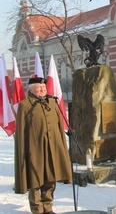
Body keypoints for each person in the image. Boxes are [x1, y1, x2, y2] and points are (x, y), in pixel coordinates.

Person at [14, 77, 72, 214]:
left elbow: (59, 125)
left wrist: (61, 147)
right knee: (35, 180)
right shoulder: (25, 105)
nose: (42, 90)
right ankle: (37, 209)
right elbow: (21, 131)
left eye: (44, 88)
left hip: (53, 147)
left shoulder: (52, 103)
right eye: (39, 88)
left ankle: (48, 207)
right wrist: (23, 151)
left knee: (51, 178)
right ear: (31, 90)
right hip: (34, 150)